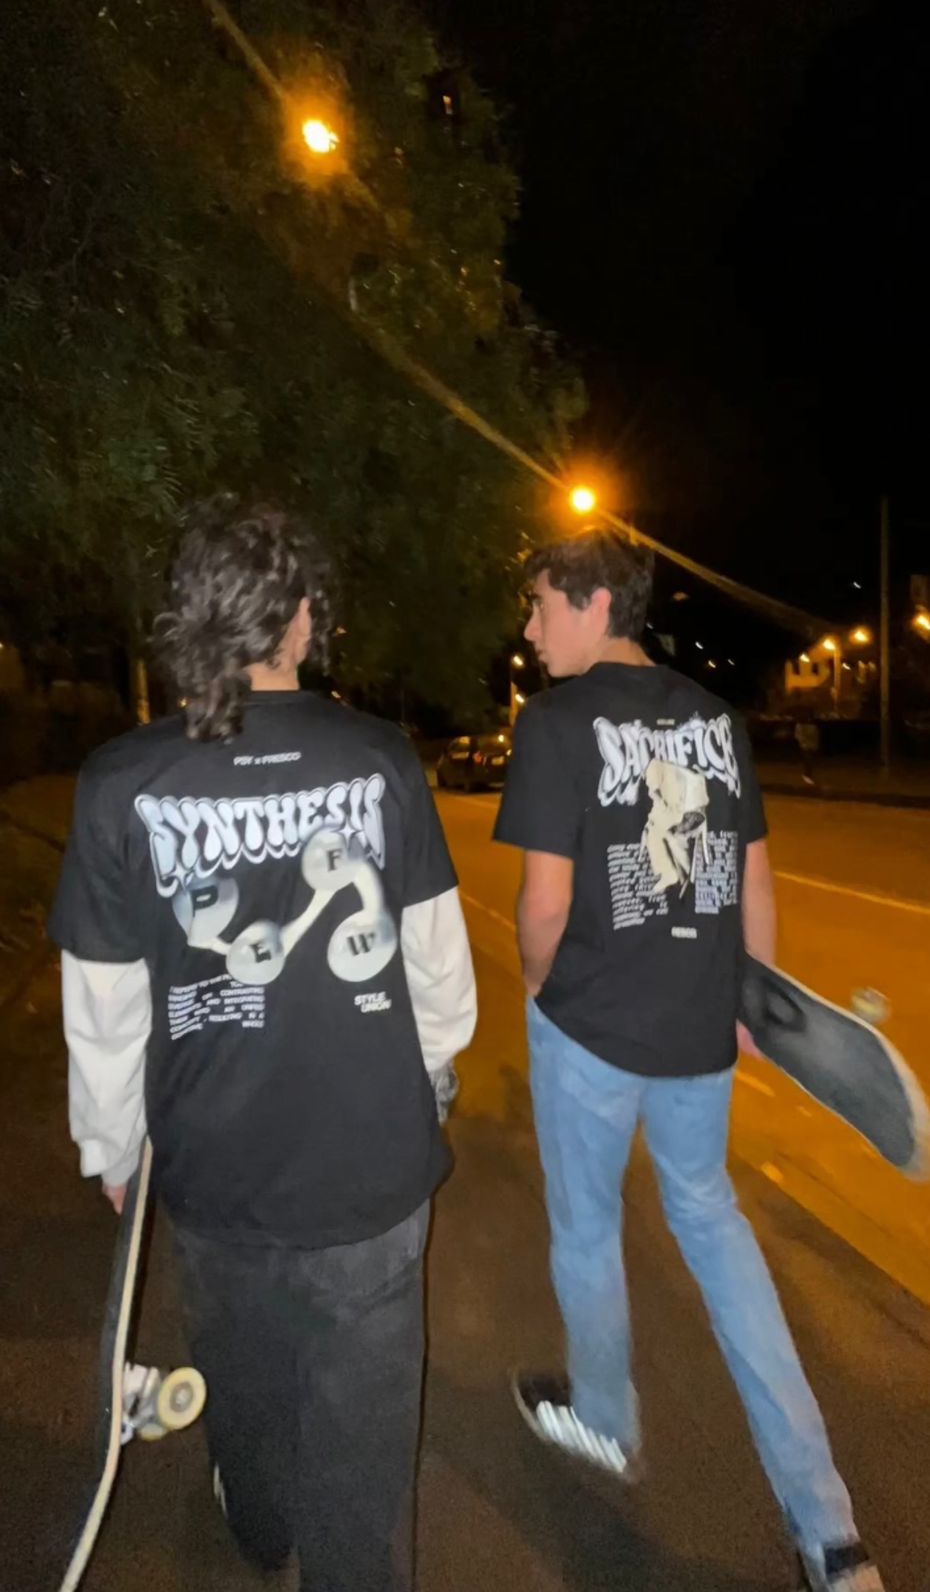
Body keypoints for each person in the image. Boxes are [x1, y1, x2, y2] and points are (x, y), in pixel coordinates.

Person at [48, 499, 476, 1592]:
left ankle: (258, 1519)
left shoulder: (119, 782)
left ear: (192, 618)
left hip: (212, 1166)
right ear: (302, 617)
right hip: (371, 1168)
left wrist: (111, 1147)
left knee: (241, 1365)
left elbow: (105, 1004)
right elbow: (437, 966)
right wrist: (431, 1073)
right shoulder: (380, 757)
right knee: (363, 1431)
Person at [493, 526, 883, 1592]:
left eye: (540, 605)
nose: (530, 629)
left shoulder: (557, 723)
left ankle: (607, 1419)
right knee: (714, 1227)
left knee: (587, 1231)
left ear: (593, 604)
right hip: (699, 1030)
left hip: (588, 1027)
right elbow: (753, 877)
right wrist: (751, 998)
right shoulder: (715, 720)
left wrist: (540, 987)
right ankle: (830, 1535)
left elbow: (544, 906)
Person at [795, 715, 822, 788]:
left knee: (809, 759)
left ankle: (808, 774)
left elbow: (815, 736)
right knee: (808, 759)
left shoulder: (812, 726)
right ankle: (807, 774)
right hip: (806, 745)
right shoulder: (800, 726)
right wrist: (803, 743)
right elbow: (799, 736)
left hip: (809, 745)